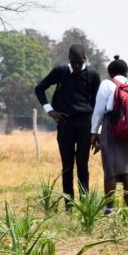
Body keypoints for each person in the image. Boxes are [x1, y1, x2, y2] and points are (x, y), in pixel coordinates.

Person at [34, 44, 101, 208]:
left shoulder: (93, 75)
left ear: (85, 59)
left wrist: (97, 131)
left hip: (86, 123)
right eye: (74, 62)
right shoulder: (60, 72)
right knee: (67, 166)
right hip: (65, 123)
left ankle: (85, 206)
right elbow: (39, 89)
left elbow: (98, 104)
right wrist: (51, 111)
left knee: (83, 165)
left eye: (79, 62)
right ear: (69, 59)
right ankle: (69, 206)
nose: (77, 66)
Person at [91, 56, 128, 213]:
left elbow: (98, 110)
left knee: (111, 168)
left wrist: (94, 132)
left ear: (110, 72)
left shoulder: (107, 84)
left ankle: (109, 209)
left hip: (112, 128)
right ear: (126, 72)